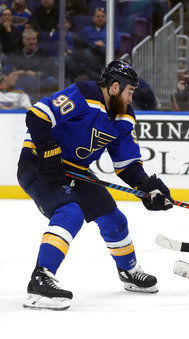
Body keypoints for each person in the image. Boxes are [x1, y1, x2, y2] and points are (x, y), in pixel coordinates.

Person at [17, 60, 174, 310]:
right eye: (130, 91)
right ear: (114, 87)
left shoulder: (124, 117)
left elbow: (127, 165)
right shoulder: (83, 93)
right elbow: (37, 115)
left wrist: (147, 186)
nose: (132, 97)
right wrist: (47, 148)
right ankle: (40, 279)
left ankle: (129, 272)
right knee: (70, 212)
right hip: (39, 165)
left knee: (114, 219)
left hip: (77, 173)